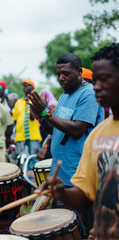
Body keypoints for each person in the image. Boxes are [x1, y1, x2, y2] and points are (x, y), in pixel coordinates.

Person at [36, 43, 119, 239]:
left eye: (104, 79)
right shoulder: (98, 135)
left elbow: (76, 129)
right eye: (95, 80)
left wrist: (46, 112)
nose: (96, 87)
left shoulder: (87, 94)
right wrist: (61, 192)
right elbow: (86, 199)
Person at [12, 80, 42, 156]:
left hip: (33, 136)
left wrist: (29, 103)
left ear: (33, 87)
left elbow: (33, 117)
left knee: (32, 160)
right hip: (20, 137)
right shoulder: (18, 102)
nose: (25, 86)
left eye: (27, 85)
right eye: (24, 85)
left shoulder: (36, 101)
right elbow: (15, 120)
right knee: (21, 161)